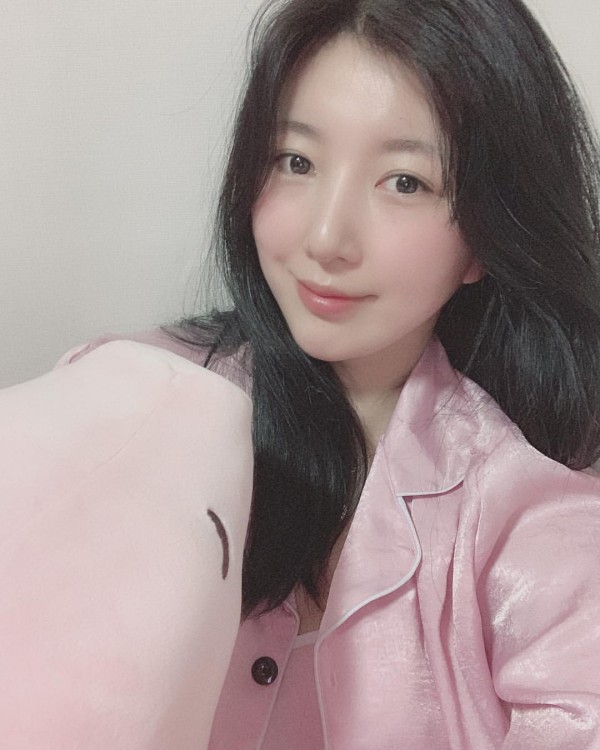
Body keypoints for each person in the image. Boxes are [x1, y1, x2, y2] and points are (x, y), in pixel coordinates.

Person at [7, 0, 600, 747]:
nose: (326, 237)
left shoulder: (532, 513)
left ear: (487, 233)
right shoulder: (132, 410)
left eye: (405, 182)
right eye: (297, 161)